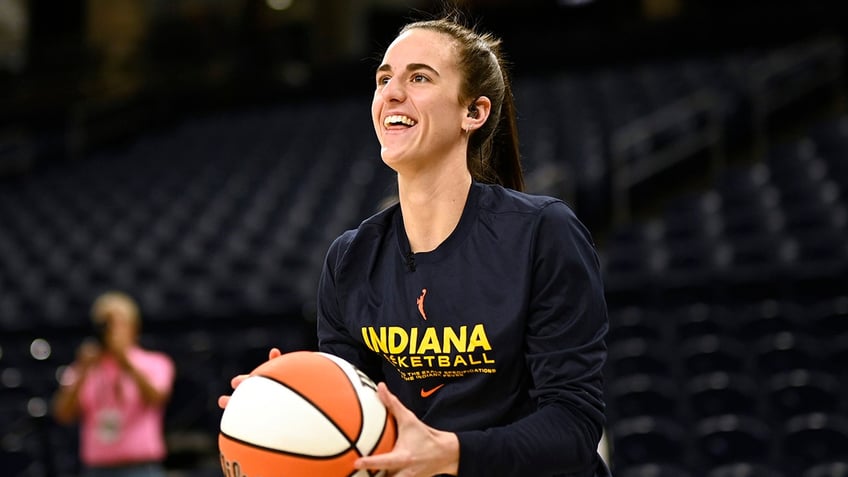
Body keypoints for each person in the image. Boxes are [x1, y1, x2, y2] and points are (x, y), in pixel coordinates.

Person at [221, 14, 610, 477]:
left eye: (419, 77)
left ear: (474, 113)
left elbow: (574, 425)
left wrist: (452, 453)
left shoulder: (543, 232)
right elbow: (356, 424)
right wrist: (290, 409)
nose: (391, 93)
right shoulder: (350, 259)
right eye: (383, 78)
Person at [52, 291, 175, 477]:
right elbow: (62, 413)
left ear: (134, 327)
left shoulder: (155, 362)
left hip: (141, 468)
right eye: (105, 325)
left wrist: (125, 362)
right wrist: (83, 370)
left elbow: (157, 397)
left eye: (118, 324)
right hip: (97, 470)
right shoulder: (84, 366)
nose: (112, 332)